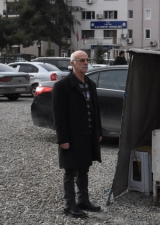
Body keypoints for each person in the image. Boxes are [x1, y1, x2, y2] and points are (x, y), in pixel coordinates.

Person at [53, 51, 103, 218]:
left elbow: (95, 111)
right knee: (70, 170)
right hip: (72, 136)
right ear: (72, 63)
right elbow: (59, 115)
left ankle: (83, 200)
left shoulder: (90, 84)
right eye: (81, 60)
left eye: (87, 60)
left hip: (87, 134)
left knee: (84, 168)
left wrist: (98, 132)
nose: (85, 63)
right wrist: (63, 139)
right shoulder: (62, 86)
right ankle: (69, 204)